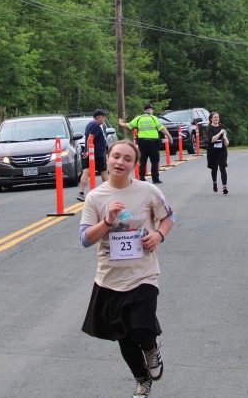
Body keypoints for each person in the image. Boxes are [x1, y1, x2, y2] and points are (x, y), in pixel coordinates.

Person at [80, 140, 176, 398]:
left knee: (141, 329)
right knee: (124, 336)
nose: (120, 162)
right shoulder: (95, 197)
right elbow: (85, 239)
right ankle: (142, 381)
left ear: (135, 164)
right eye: (116, 157)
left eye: (127, 159)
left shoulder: (148, 191)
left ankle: (151, 349)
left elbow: (169, 216)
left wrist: (159, 235)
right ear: (108, 159)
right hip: (109, 279)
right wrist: (108, 220)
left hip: (144, 274)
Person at [119, 104, 172, 184]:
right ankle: (155, 179)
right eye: (152, 109)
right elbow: (162, 129)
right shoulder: (154, 118)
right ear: (150, 110)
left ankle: (142, 178)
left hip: (143, 143)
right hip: (153, 143)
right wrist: (169, 136)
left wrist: (120, 123)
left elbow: (128, 126)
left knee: (143, 160)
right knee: (154, 161)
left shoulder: (139, 118)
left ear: (144, 110)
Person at [78, 109, 111, 202]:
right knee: (104, 172)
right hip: (97, 153)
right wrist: (89, 151)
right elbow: (90, 138)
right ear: (98, 117)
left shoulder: (89, 124)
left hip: (91, 152)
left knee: (86, 172)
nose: (104, 119)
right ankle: (109, 192)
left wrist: (87, 151)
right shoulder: (96, 125)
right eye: (103, 117)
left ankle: (81, 192)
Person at [205, 112, 230, 193]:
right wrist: (220, 133)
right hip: (212, 151)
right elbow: (212, 140)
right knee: (214, 168)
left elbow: (226, 139)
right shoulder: (209, 128)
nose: (216, 119)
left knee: (222, 167)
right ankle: (214, 182)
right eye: (215, 117)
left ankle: (224, 186)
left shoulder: (221, 126)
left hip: (222, 151)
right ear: (211, 119)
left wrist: (225, 139)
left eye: (218, 117)